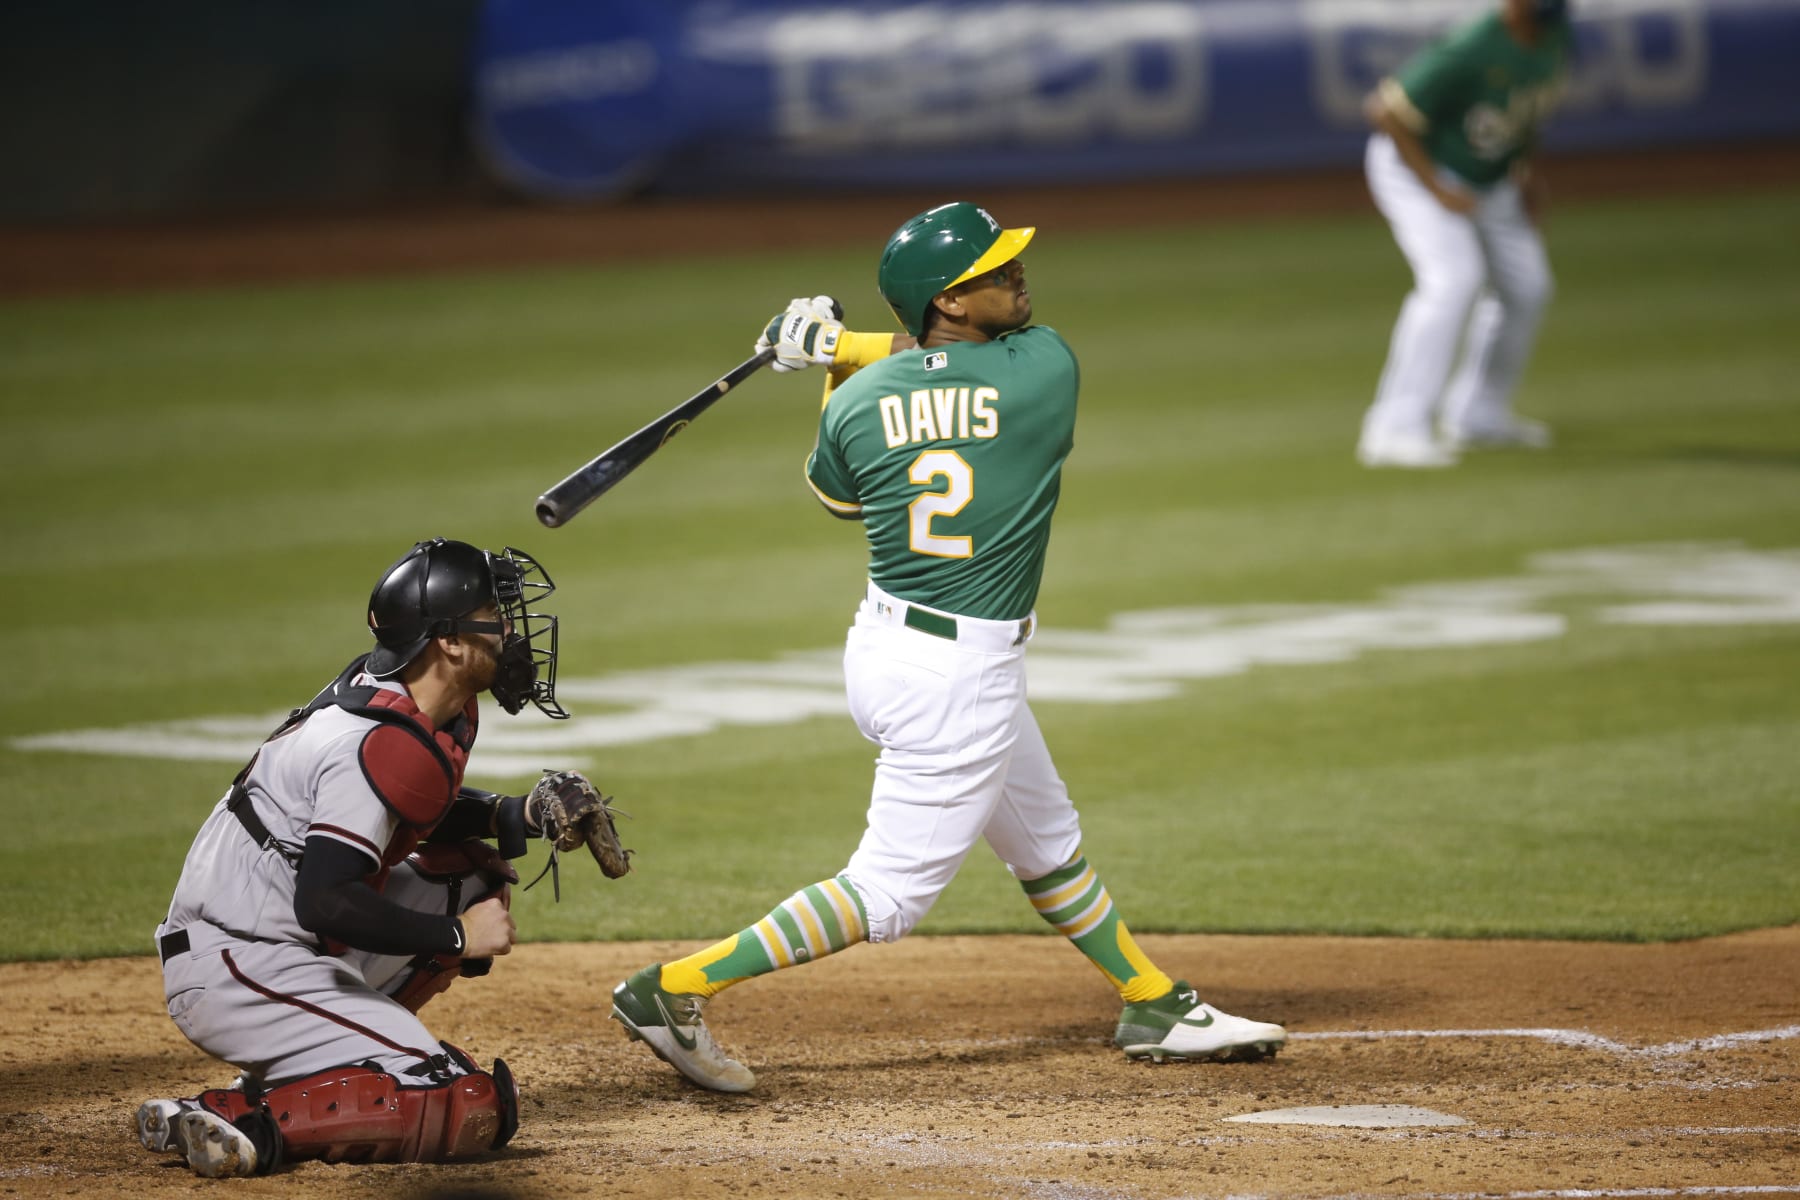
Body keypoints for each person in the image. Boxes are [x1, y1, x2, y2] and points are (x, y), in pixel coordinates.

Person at [608, 201, 1287, 1094]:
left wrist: (828, 359)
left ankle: (1154, 1000)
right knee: (886, 896)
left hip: (886, 651)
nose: (1017, 278)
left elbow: (840, 498)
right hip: (962, 674)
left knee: (1045, 838)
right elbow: (956, 379)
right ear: (950, 305)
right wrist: (843, 342)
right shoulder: (1045, 368)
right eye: (993, 273)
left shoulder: (856, 402)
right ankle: (675, 988)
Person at [135, 538, 591, 1177]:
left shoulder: (424, 701)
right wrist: (457, 935)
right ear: (450, 642)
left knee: (468, 874)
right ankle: (244, 1118)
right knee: (460, 1104)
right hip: (236, 961)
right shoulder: (368, 743)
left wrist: (515, 815)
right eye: (495, 614)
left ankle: (319, 1061)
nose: (511, 630)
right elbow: (325, 899)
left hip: (289, 938)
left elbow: (405, 810)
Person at [1356, 0, 1574, 468]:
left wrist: (1526, 174)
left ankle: (1479, 412)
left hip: (1490, 180)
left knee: (1528, 288)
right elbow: (1385, 111)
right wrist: (1436, 189)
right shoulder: (1471, 47)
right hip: (1416, 174)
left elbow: (1525, 112)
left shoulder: (1555, 36)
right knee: (1453, 280)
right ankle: (1392, 427)